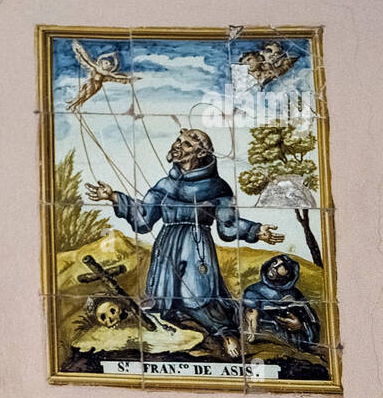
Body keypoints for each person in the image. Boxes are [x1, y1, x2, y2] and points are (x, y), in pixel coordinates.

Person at [85, 128, 283, 357]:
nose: (179, 145)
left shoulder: (218, 187)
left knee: (197, 294)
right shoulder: (165, 185)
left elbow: (228, 225)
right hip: (167, 246)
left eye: (187, 144)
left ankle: (224, 333)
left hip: (196, 248)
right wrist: (114, 197)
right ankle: (178, 331)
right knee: (165, 298)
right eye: (179, 140)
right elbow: (144, 218)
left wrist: (255, 231)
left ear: (201, 153)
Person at [242, 254, 320, 346]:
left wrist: (301, 327)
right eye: (275, 262)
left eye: (281, 266)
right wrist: (252, 320)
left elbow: (313, 324)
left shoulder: (296, 294)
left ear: (289, 274)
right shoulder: (253, 290)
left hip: (292, 345)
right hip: (265, 343)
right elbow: (248, 313)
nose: (274, 267)